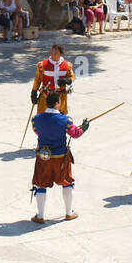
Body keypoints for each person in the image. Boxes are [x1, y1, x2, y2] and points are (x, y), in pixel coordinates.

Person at [30, 90, 88, 224]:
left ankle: (40, 216)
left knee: (40, 185)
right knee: (66, 183)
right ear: (56, 104)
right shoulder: (65, 120)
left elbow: (37, 131)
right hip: (61, 157)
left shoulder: (36, 119)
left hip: (43, 157)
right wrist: (84, 127)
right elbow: (75, 134)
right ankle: (69, 213)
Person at [31, 45, 75, 114]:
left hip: (60, 97)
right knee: (43, 117)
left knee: (60, 118)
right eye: (52, 53)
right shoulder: (43, 65)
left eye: (55, 53)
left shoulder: (67, 65)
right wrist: (34, 92)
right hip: (46, 95)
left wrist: (67, 80)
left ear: (61, 54)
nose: (53, 55)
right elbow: (38, 80)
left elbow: (72, 77)